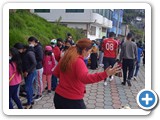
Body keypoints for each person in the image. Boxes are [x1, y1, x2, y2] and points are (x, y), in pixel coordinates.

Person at [53, 38, 121, 109]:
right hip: (72, 100)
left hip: (59, 97)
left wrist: (67, 80)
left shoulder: (66, 56)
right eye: (89, 51)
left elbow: (56, 73)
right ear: (84, 50)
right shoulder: (78, 61)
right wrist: (105, 74)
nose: (90, 53)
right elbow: (86, 78)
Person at [28, 36, 44, 101]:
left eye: (30, 42)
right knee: (35, 82)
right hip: (34, 67)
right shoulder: (33, 47)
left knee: (38, 81)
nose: (29, 44)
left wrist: (33, 61)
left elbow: (40, 58)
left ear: (34, 42)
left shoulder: (39, 48)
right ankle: (35, 92)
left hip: (38, 67)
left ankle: (40, 94)